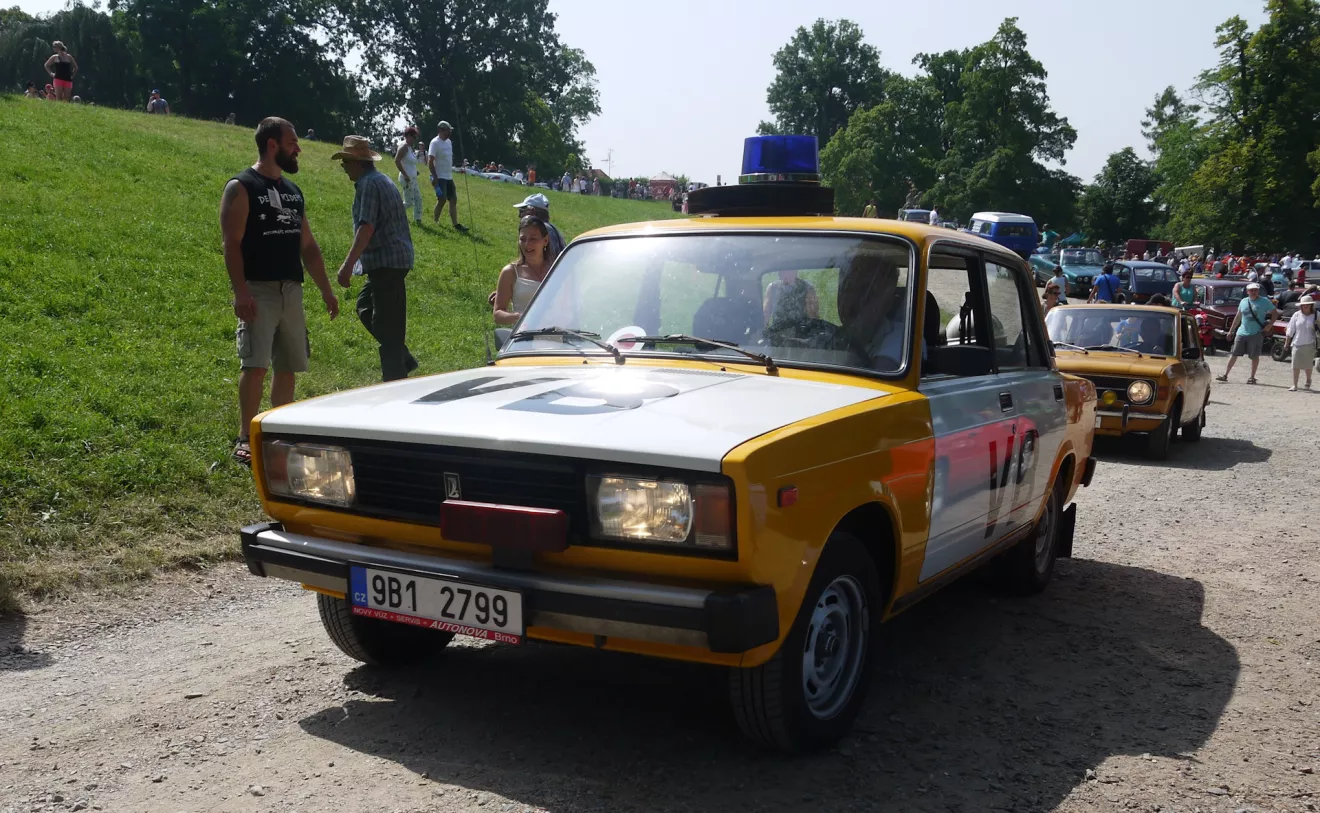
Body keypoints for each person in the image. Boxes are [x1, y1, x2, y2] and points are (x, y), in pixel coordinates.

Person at [219, 117, 339, 465]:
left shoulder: (293, 191)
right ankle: (246, 437)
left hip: (292, 290)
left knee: (287, 367)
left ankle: (279, 435)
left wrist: (326, 290)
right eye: (292, 142)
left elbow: (309, 246)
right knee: (255, 365)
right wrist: (241, 291)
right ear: (272, 145)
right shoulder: (241, 187)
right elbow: (231, 244)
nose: (298, 148)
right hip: (259, 290)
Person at [332, 135, 418, 382]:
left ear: (356, 163)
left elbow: (366, 227)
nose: (344, 167)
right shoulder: (381, 179)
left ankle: (395, 380)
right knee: (365, 306)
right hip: (391, 261)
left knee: (386, 326)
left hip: (387, 262)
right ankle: (402, 358)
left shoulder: (369, 184)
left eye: (345, 162)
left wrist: (347, 265)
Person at [494, 216, 553, 326]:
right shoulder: (510, 272)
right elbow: (498, 315)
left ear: (545, 240)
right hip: (524, 334)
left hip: (556, 333)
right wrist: (521, 317)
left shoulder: (557, 269)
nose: (527, 244)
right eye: (523, 239)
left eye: (533, 239)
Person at [1216, 282, 1279, 385]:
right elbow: (1238, 317)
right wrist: (1231, 330)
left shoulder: (1264, 301)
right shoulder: (1243, 301)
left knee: (1254, 356)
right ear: (1247, 291)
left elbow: (1275, 313)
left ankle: (1252, 377)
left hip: (1256, 332)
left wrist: (1270, 325)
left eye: (1255, 290)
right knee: (1234, 353)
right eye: (1251, 290)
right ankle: (1225, 374)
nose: (1254, 292)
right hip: (1242, 332)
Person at [427, 121, 466, 231]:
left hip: (449, 176)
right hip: (439, 177)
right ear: (441, 130)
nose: (449, 133)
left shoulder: (449, 142)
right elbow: (430, 161)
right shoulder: (435, 143)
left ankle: (455, 224)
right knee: (442, 199)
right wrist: (434, 177)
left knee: (453, 199)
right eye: (448, 130)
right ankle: (435, 221)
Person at [1284, 296, 1318, 391]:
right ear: (1301, 306)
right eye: (1303, 305)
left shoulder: (1316, 315)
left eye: (1307, 304)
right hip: (1297, 343)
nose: (1305, 306)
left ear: (1311, 305)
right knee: (1295, 365)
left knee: (1308, 365)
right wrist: (1287, 343)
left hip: (1311, 343)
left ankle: (1308, 380)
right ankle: (1295, 385)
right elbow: (1290, 329)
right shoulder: (1296, 315)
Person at [394, 125, 423, 225]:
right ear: (408, 136)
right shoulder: (403, 147)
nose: (415, 140)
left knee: (418, 199)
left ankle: (418, 220)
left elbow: (409, 162)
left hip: (413, 178)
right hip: (406, 179)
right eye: (414, 137)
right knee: (409, 202)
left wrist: (415, 171)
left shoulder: (409, 147)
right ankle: (393, 212)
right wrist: (405, 175)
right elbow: (397, 160)